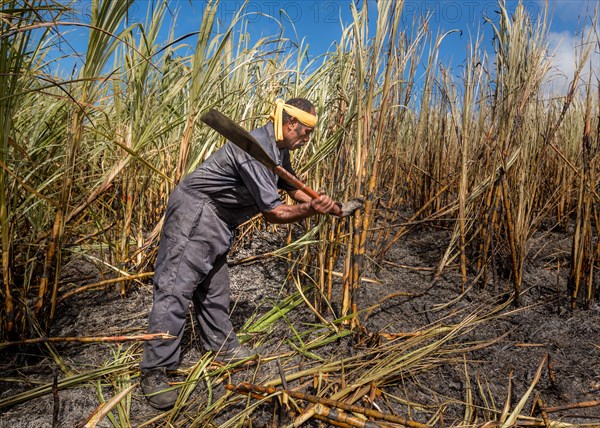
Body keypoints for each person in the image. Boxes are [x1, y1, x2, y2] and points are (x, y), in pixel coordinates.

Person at [140, 98, 360, 410]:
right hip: (197, 212)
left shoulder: (276, 150)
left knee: (215, 290)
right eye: (306, 130)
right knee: (176, 288)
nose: (309, 137)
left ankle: (222, 348)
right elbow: (273, 212)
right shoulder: (255, 149)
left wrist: (335, 208)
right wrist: (311, 209)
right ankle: (154, 370)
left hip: (220, 219)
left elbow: (291, 185)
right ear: (290, 123)